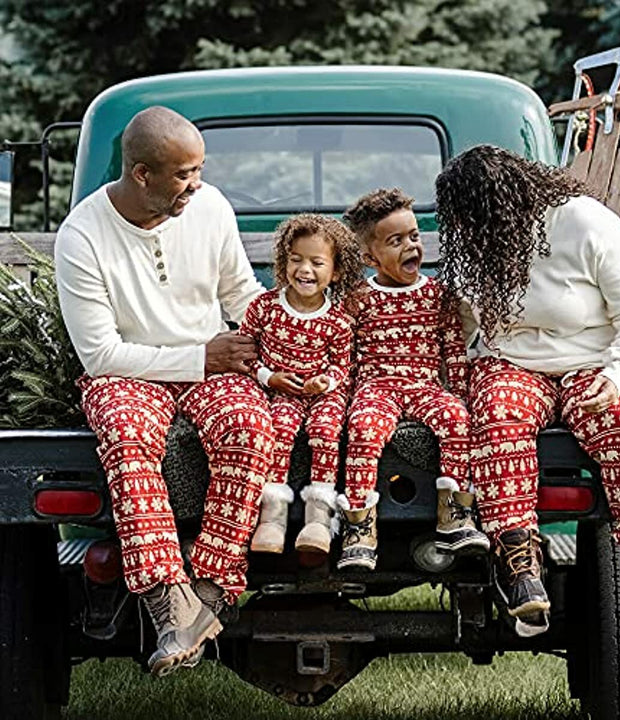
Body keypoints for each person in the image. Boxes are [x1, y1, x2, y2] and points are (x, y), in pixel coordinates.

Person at [54, 106, 272, 675]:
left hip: (213, 362)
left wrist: (287, 339)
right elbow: (99, 354)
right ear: (142, 173)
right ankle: (167, 603)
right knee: (127, 437)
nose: (196, 185)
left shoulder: (211, 206)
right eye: (183, 174)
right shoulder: (82, 235)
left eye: (199, 170)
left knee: (251, 427)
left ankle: (209, 592)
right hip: (129, 374)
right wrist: (200, 357)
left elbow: (240, 293)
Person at [434, 144, 620, 636]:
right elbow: (464, 327)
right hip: (517, 364)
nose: (472, 230)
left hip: (598, 360)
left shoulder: (584, 222)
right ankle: (520, 565)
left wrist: (618, 375)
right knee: (498, 416)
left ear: (508, 200)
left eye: (479, 217)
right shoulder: (477, 246)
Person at [337, 188, 490, 571]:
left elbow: (454, 347)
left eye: (414, 236)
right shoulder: (359, 299)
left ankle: (455, 514)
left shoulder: (438, 296)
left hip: (425, 386)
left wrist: (459, 392)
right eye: (396, 241)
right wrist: (342, 400)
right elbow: (344, 354)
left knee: (457, 419)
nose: (410, 247)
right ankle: (360, 528)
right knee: (364, 427)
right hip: (376, 388)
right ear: (371, 258)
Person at [242, 214, 363, 557]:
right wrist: (270, 377)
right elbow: (246, 352)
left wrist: (326, 381)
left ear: (335, 272)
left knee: (326, 430)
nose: (304, 270)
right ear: (283, 263)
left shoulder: (338, 320)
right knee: (278, 428)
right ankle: (273, 517)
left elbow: (344, 365)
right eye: (296, 260)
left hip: (324, 395)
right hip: (282, 391)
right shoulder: (265, 308)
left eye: (316, 262)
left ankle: (318, 518)